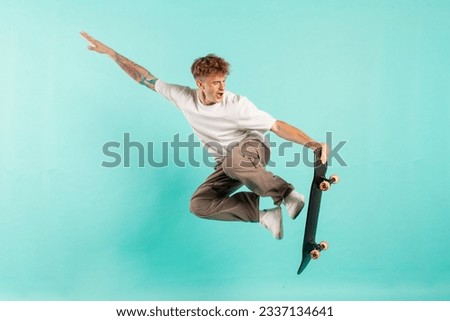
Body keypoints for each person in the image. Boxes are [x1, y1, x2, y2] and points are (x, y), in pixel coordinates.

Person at [81, 31, 328, 240]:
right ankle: (264, 215)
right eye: (216, 83)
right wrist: (112, 54)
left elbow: (276, 126)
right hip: (229, 164)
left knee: (235, 162)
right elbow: (145, 78)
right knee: (199, 204)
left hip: (252, 148)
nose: (222, 88)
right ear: (200, 84)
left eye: (224, 82)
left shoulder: (237, 105)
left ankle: (286, 193)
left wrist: (311, 142)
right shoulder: (182, 97)